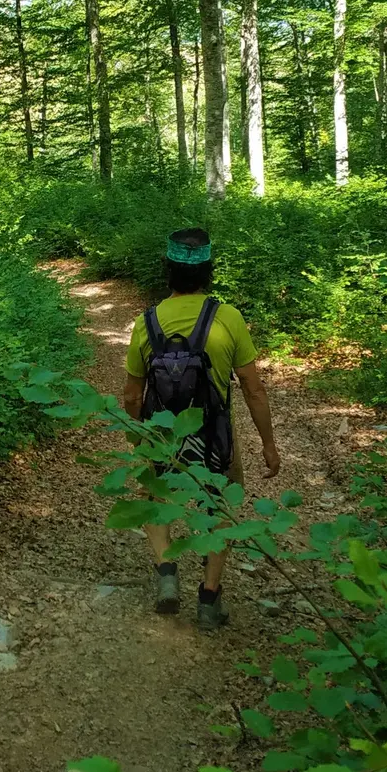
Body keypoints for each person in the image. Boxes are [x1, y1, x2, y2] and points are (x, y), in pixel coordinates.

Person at [123, 227, 282, 630]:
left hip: (162, 432)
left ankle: (167, 572)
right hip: (215, 434)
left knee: (154, 497)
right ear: (209, 272)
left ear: (167, 271)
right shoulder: (227, 318)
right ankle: (209, 598)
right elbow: (253, 387)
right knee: (220, 505)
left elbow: (130, 395)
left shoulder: (147, 322)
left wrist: (139, 436)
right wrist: (268, 443)